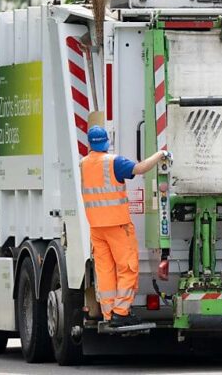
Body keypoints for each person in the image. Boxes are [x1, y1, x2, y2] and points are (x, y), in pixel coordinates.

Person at [80, 125, 170, 327]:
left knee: (105, 271)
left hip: (96, 227)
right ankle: (121, 311)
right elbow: (139, 169)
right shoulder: (113, 162)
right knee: (127, 268)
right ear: (106, 142)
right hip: (117, 226)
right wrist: (160, 154)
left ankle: (109, 313)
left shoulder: (83, 164)